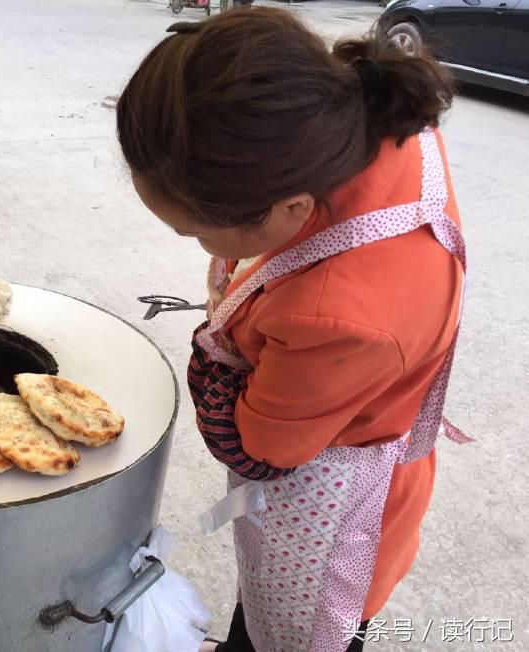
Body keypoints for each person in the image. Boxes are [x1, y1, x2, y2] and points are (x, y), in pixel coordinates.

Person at [117, 8, 466, 652]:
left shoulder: (337, 317)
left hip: (332, 503)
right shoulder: (354, 115)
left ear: (292, 208)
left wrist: (217, 363)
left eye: (194, 231)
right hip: (336, 405)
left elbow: (262, 448)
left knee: (303, 634)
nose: (198, 249)